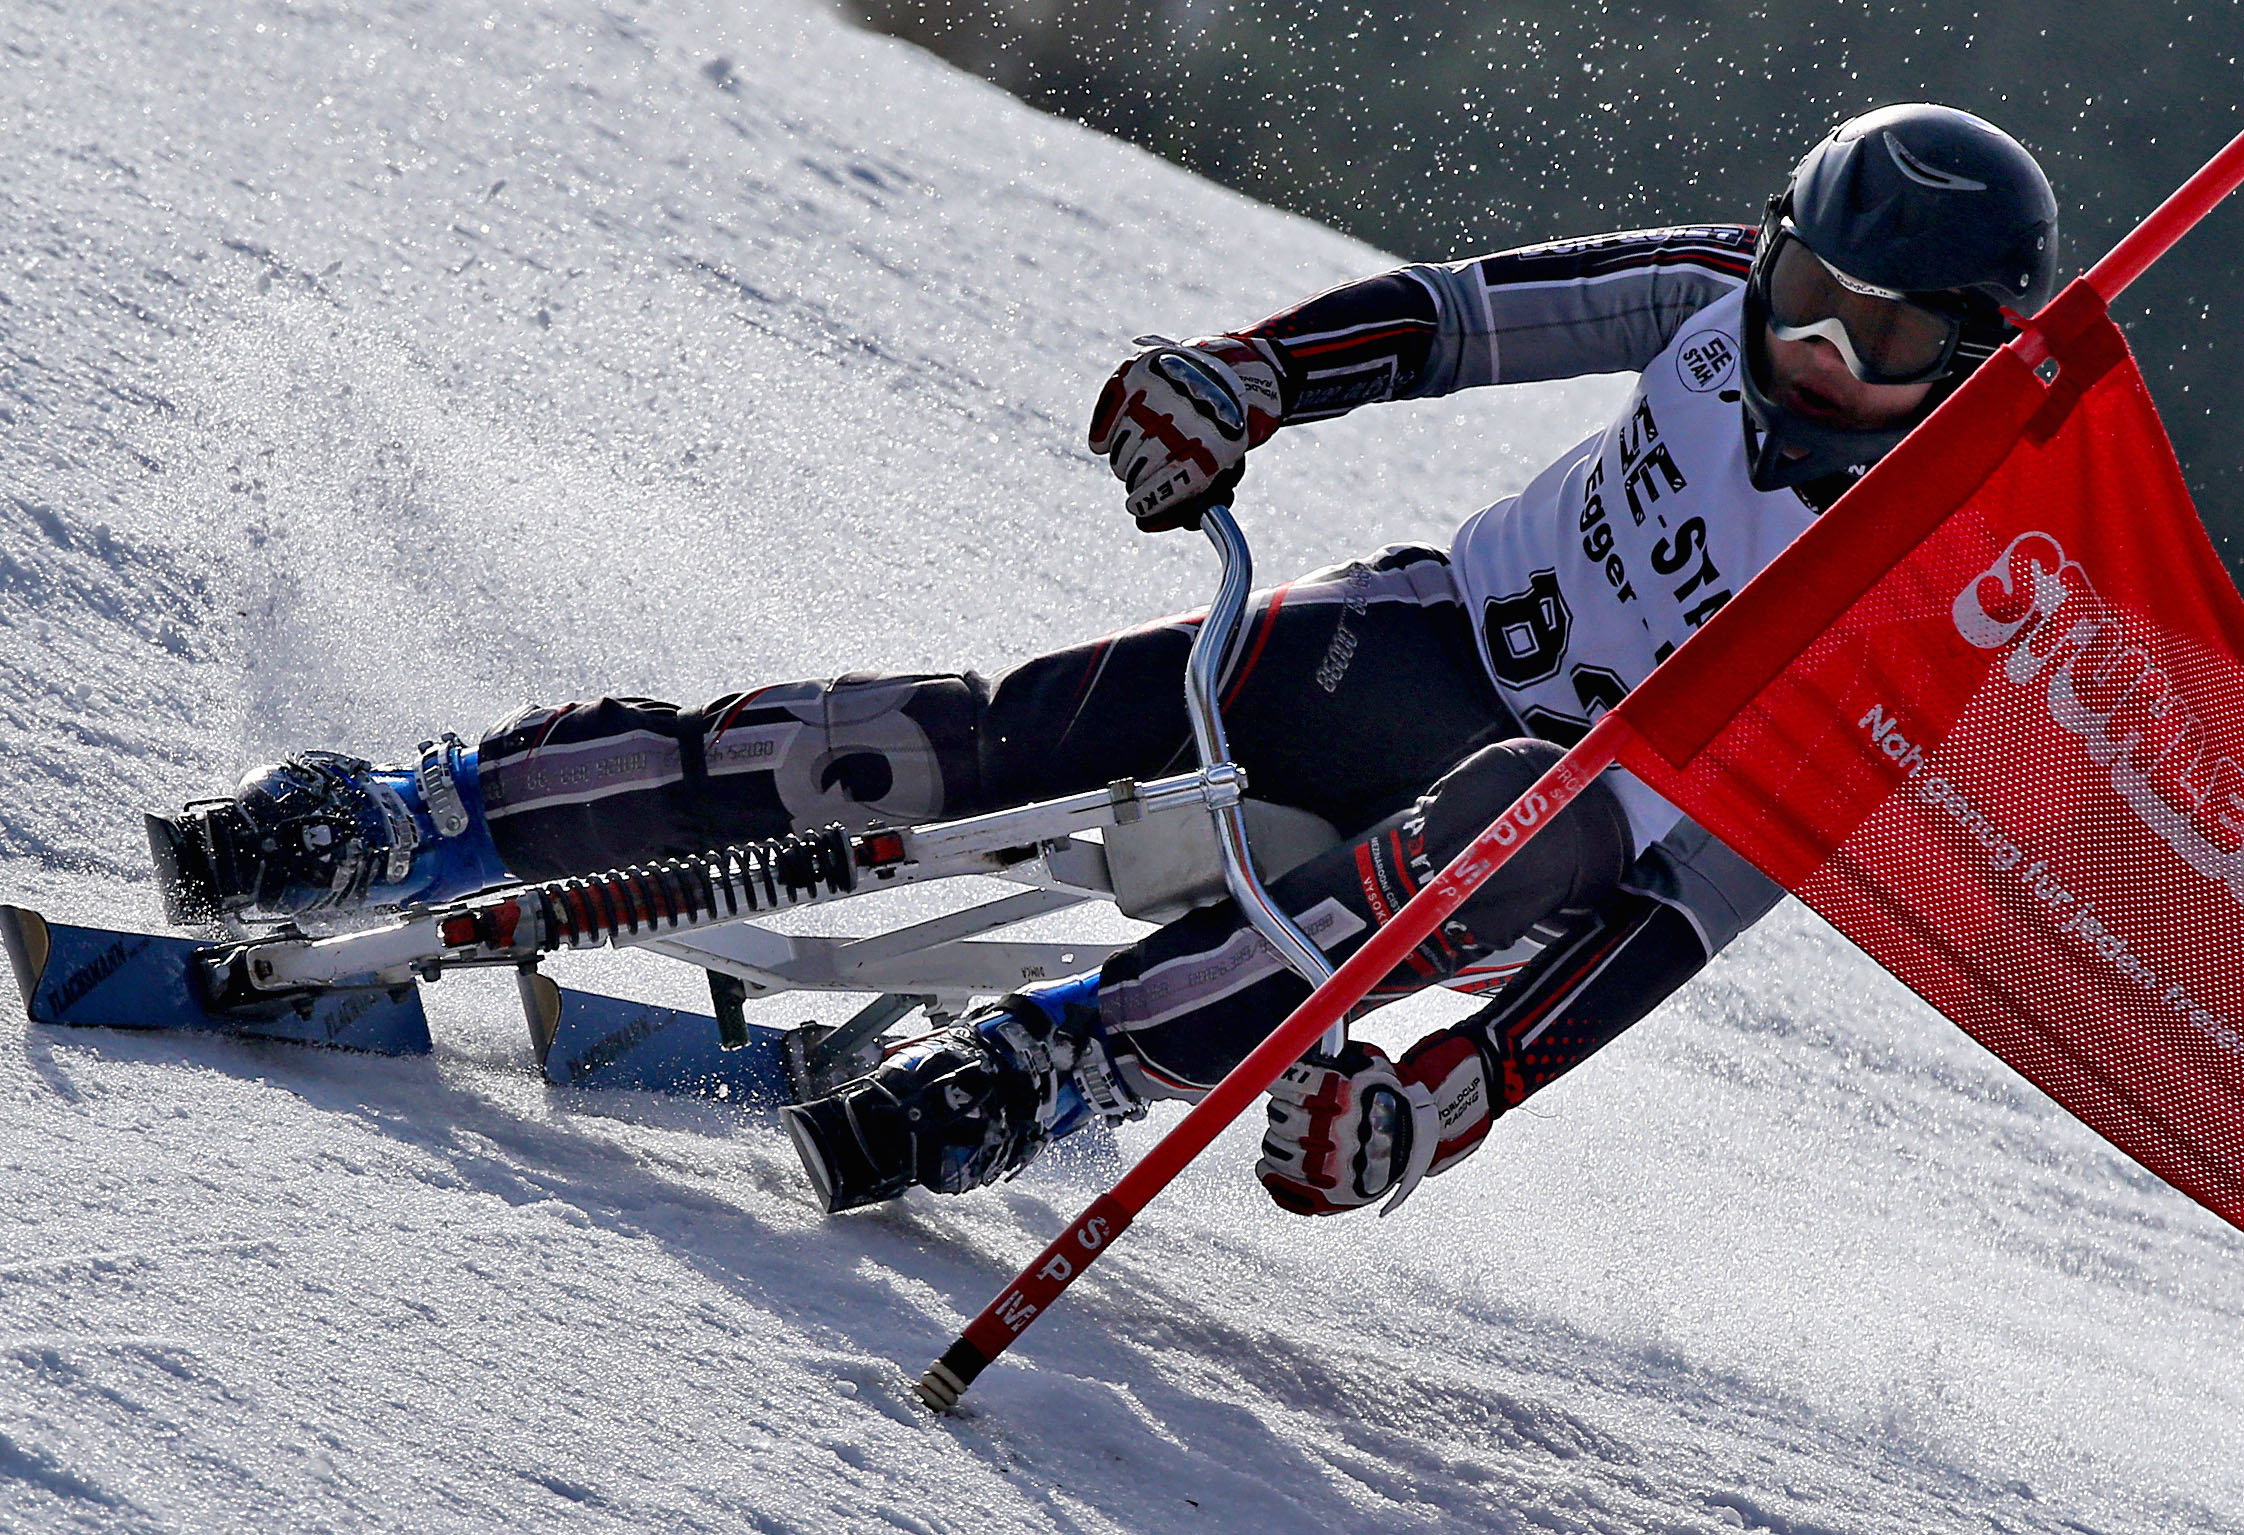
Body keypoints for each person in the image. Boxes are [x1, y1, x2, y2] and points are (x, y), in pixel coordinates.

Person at [154, 104, 2058, 1218]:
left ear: (1973, 363)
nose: (1823, 357)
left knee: (1511, 822)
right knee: (935, 749)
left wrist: (1442, 1103)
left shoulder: (1931, 608)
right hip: (1407, 645)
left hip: (1544, 839)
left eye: (1891, 345)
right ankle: (432, 815)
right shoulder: (1723, 292)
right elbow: (1453, 321)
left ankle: (1067, 1062)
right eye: (1810, 296)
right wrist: (1236, 382)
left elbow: (1684, 918)